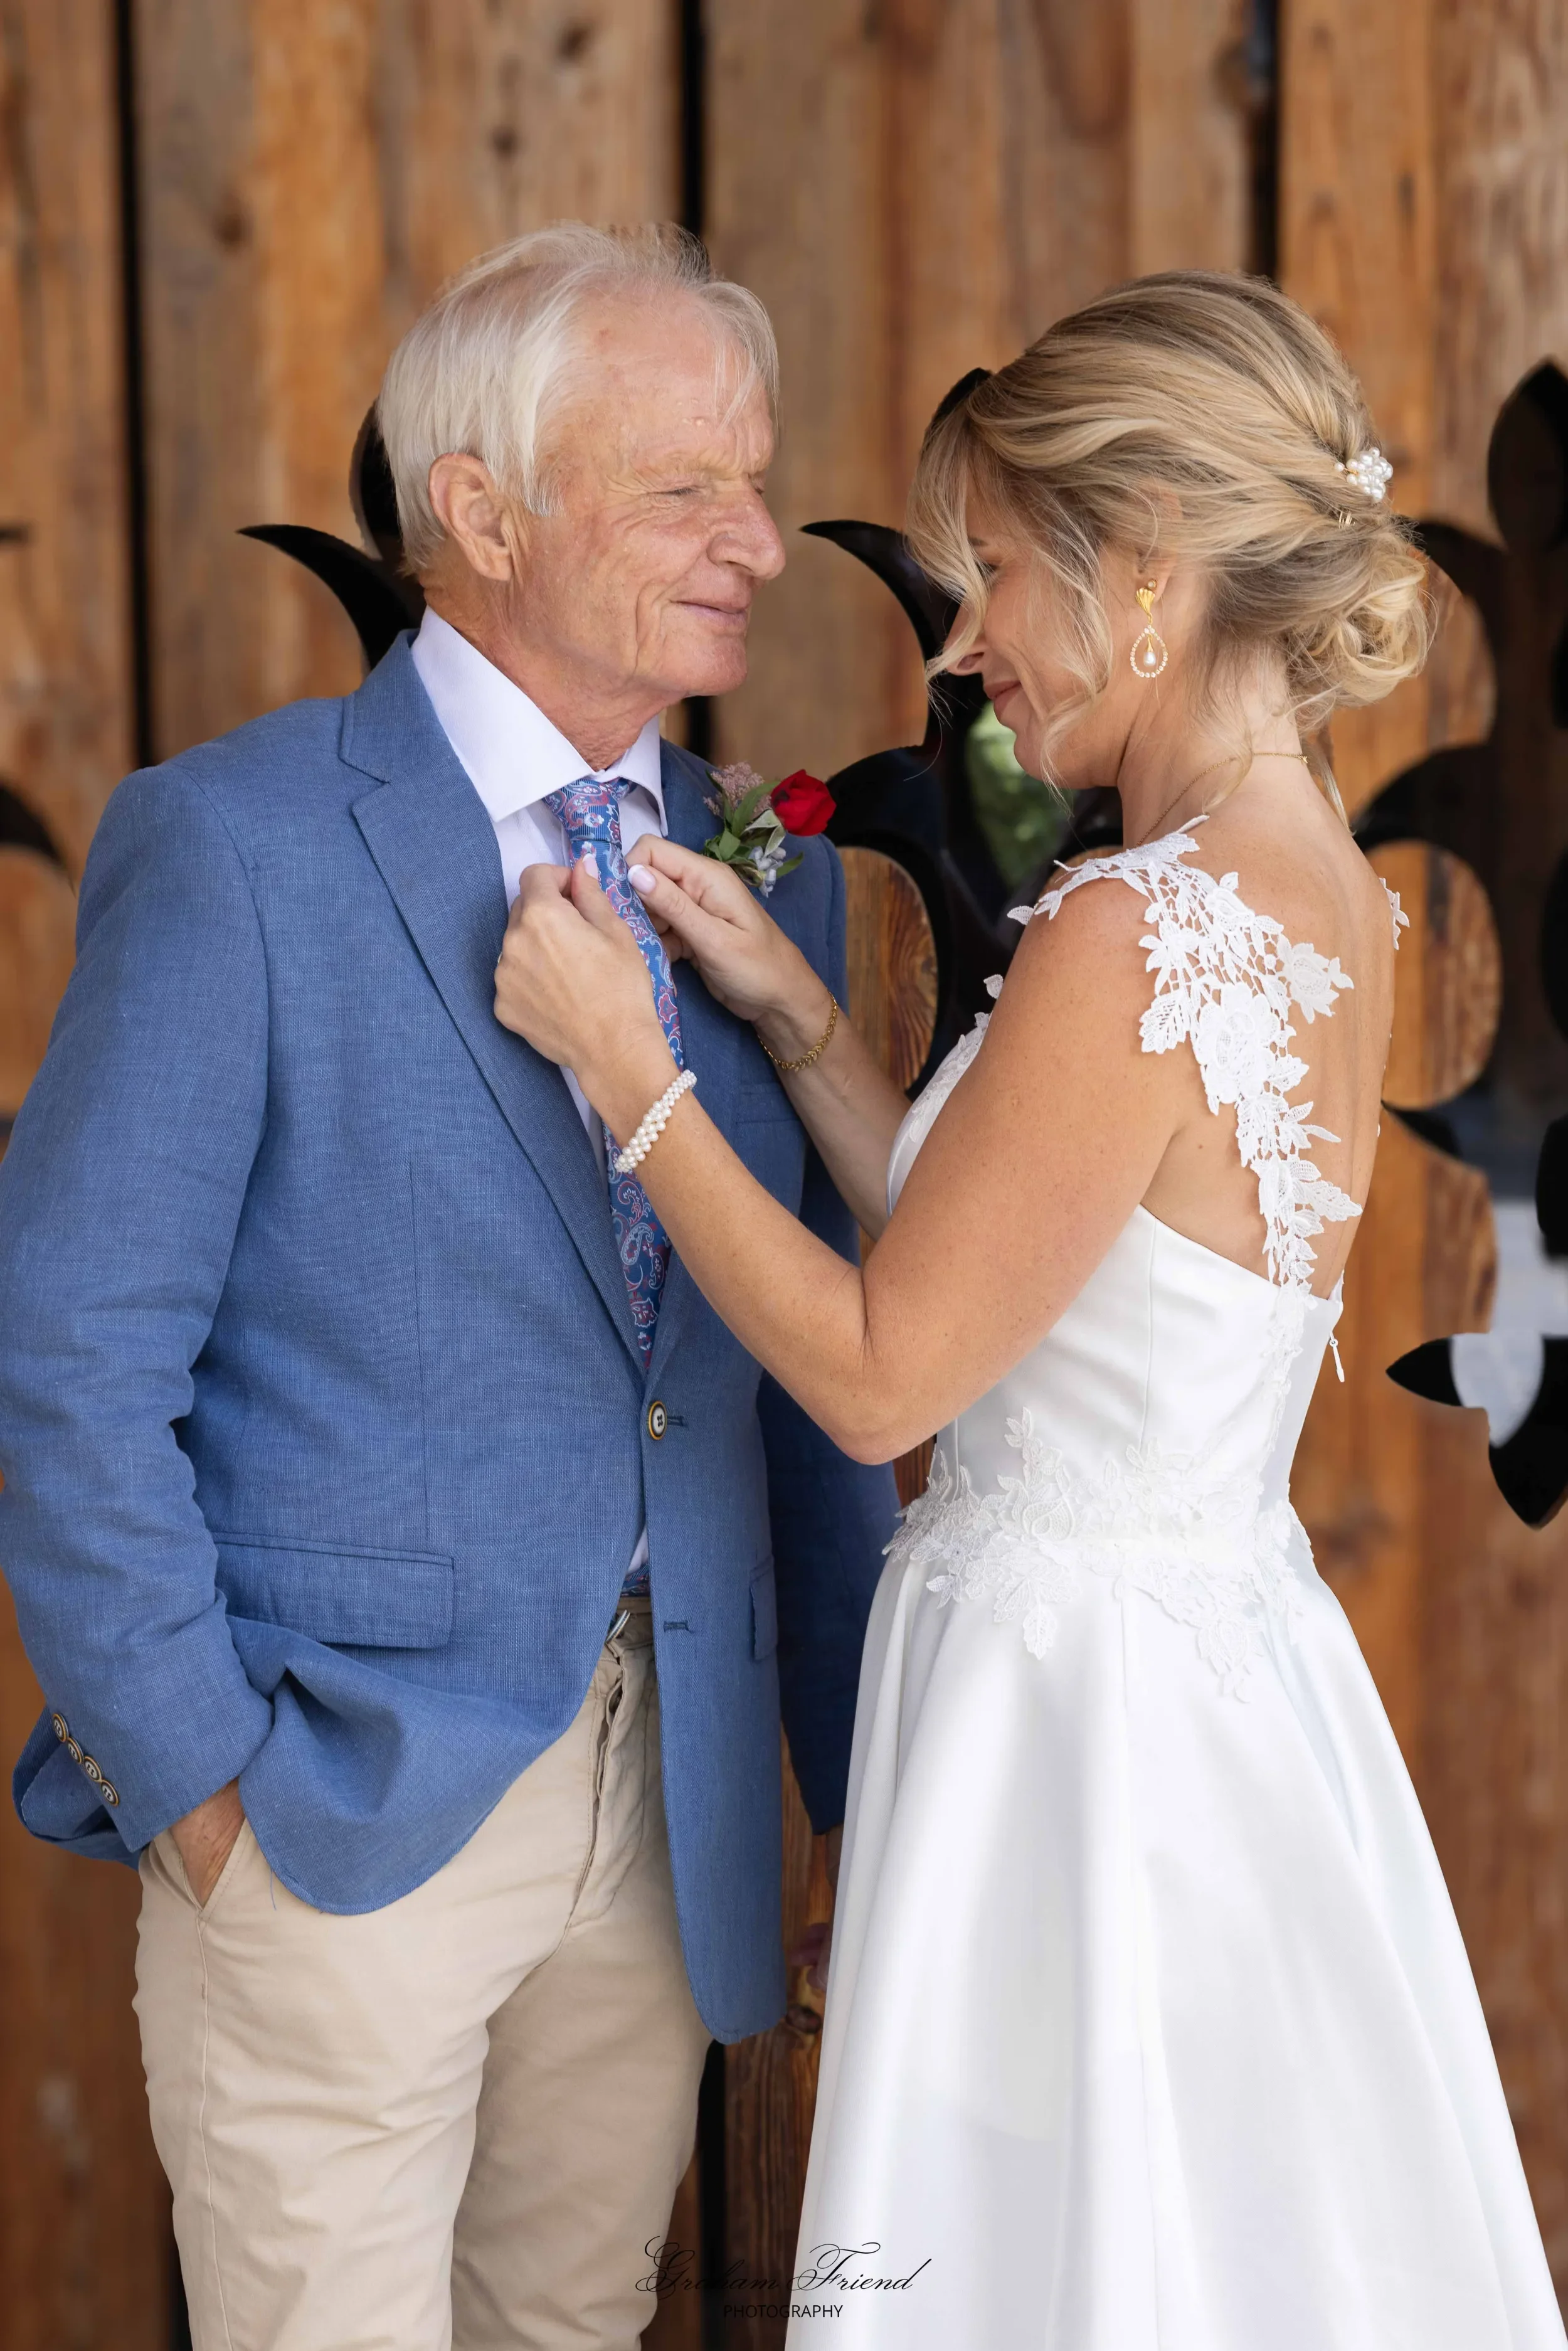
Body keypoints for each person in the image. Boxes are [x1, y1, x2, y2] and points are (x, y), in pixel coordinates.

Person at [493, 270, 1568, 2348]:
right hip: (1214, 1673)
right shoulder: (1319, 894)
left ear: (1144, 571)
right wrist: (797, 1019)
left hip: (1064, 1727)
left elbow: (888, 1356)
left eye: (994, 572)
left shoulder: (1128, 928)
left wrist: (628, 1073)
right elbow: (1047, 1261)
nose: (964, 640)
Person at [0, 223, 895, 2351]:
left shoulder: (775, 882)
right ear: (481, 511)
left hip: (668, 1817)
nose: (758, 544)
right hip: (326, 1808)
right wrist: (203, 1789)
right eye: (685, 488)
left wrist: (859, 1801)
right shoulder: (233, 848)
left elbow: (801, 1367)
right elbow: (64, 1357)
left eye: (752, 482)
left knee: (575, 2329)